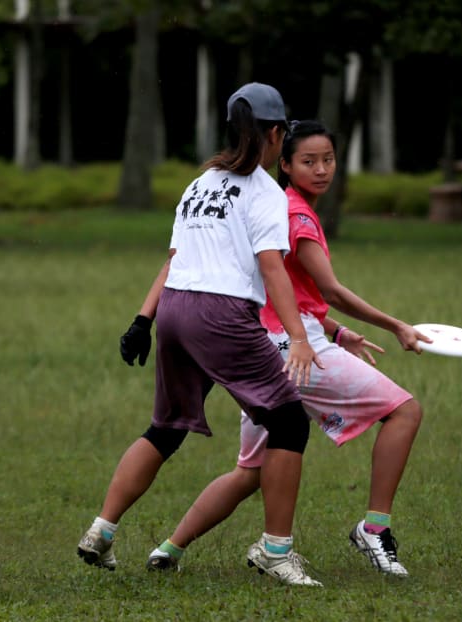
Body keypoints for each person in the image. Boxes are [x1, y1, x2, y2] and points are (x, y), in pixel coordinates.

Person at [145, 119, 430, 579]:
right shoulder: (294, 214)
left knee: (254, 470)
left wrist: (337, 332)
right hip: (293, 352)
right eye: (308, 161)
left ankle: (169, 549)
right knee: (404, 411)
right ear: (284, 164)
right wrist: (396, 325)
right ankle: (374, 529)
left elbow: (294, 294)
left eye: (329, 160)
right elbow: (330, 289)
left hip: (261, 348)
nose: (321, 170)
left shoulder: (278, 204)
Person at [77, 84, 327, 587]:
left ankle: (101, 531)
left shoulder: (201, 183)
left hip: (175, 309)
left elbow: (174, 262)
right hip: (221, 314)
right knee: (289, 424)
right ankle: (277, 551)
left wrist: (143, 320)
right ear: (276, 134)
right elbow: (273, 269)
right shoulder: (266, 193)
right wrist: (299, 339)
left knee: (165, 430)